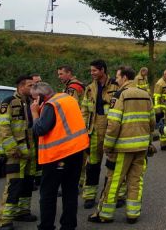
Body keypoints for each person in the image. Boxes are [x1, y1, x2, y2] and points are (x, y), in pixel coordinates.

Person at [88, 66, 155, 224]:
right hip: (141, 147)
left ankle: (105, 214)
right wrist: (149, 142)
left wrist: (108, 146)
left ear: (125, 78)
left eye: (118, 77)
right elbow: (152, 122)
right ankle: (133, 214)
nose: (116, 80)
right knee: (135, 181)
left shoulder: (120, 95)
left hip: (123, 148)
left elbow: (113, 125)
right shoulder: (146, 95)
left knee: (114, 181)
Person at [30, 82, 89, 230]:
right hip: (76, 151)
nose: (33, 102)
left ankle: (46, 226)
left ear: (42, 97)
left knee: (48, 195)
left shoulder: (50, 105)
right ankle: (69, 226)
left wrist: (35, 113)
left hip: (58, 155)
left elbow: (40, 129)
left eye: (34, 99)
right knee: (70, 192)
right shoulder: (67, 98)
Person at [0, 75, 37, 230]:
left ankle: (22, 211)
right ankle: (4, 220)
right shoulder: (8, 103)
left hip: (29, 153)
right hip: (15, 154)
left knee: (27, 184)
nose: (33, 88)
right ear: (21, 86)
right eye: (30, 85)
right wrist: (13, 149)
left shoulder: (30, 103)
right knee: (13, 185)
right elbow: (3, 128)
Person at [80, 59, 119, 209]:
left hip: (111, 129)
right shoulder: (89, 88)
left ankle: (116, 195)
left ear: (102, 70)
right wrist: (84, 128)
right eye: (91, 71)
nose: (92, 73)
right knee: (92, 165)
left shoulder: (116, 85)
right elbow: (84, 109)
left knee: (113, 163)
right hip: (94, 129)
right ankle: (89, 196)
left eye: (94, 71)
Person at [153, 69, 166, 151]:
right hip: (162, 109)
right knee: (163, 127)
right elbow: (156, 98)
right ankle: (164, 144)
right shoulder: (159, 84)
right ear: (165, 75)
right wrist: (158, 111)